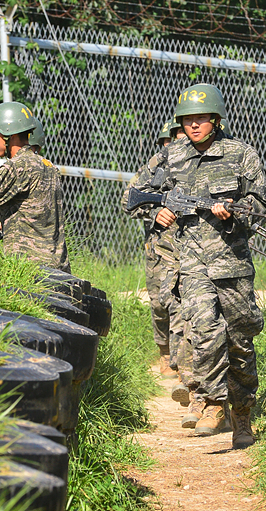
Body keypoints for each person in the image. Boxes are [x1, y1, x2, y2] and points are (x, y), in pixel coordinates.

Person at [130, 83, 266, 449]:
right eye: (188, 120)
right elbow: (133, 195)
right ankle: (212, 402)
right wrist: (155, 212)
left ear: (215, 119)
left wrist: (235, 211)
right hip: (191, 262)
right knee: (204, 329)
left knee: (239, 341)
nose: (194, 125)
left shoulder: (241, 155)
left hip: (233, 265)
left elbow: (261, 204)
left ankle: (243, 417)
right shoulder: (170, 156)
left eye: (200, 119)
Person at [0, 101, 70, 272]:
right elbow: (37, 215)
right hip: (58, 268)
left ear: (8, 134)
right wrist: (5, 225)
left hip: (31, 269)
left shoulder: (18, 166)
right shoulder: (48, 166)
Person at [124, 119, 182, 378]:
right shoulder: (157, 164)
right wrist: (155, 211)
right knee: (160, 305)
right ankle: (165, 352)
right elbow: (129, 199)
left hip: (189, 249)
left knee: (182, 304)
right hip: (159, 249)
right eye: (168, 141)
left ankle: (184, 363)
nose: (171, 145)